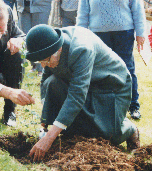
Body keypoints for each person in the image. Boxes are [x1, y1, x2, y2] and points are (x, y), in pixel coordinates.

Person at [25, 24, 140, 162]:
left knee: (106, 136)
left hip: (112, 87)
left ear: (59, 49)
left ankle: (129, 129)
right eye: (40, 62)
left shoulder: (81, 49)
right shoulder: (51, 46)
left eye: (46, 60)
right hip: (86, 83)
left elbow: (77, 96)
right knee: (52, 83)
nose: (44, 66)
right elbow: (46, 80)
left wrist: (49, 138)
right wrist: (46, 115)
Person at [76, 0, 146, 120]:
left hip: (124, 33)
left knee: (127, 69)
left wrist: (140, 33)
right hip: (97, 34)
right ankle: (102, 107)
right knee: (100, 71)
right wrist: (80, 35)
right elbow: (83, 13)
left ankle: (133, 106)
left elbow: (137, 9)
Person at [16, 0, 52, 76]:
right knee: (25, 37)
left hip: (41, 5)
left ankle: (41, 68)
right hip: (22, 6)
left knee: (39, 37)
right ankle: (33, 65)